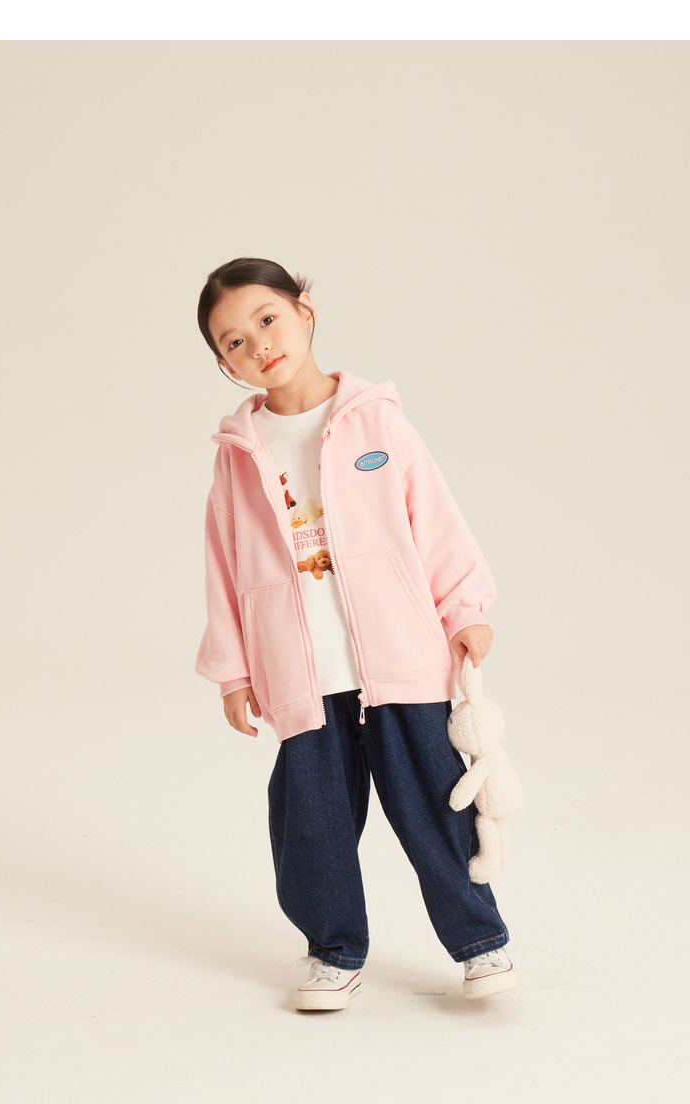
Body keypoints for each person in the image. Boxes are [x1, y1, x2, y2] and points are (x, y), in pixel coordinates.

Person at [194, 256, 519, 1011]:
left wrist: (464, 607)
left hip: (401, 662)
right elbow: (222, 565)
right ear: (224, 364)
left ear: (305, 311)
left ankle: (480, 942)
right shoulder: (238, 456)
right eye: (234, 341)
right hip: (301, 677)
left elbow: (433, 519)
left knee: (437, 805)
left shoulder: (376, 421)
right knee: (310, 823)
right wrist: (234, 672)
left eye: (267, 319)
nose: (258, 344)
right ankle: (332, 951)